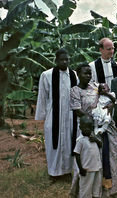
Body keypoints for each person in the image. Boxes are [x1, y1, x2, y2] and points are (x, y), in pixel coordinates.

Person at [70, 63, 117, 196]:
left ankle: (106, 188)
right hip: (87, 127)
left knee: (107, 155)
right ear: (78, 74)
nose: (88, 76)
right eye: (85, 73)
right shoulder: (75, 90)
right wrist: (91, 121)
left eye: (89, 73)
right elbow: (77, 110)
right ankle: (85, 189)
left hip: (103, 124)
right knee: (88, 156)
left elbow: (108, 96)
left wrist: (110, 105)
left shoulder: (96, 86)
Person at [35, 48, 77, 178]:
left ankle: (67, 171)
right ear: (56, 60)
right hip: (54, 116)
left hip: (70, 115)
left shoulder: (74, 75)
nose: (65, 62)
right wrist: (42, 115)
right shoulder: (47, 75)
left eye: (67, 59)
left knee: (70, 141)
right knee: (54, 144)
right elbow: (42, 96)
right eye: (62, 60)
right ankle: (54, 172)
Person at [91, 83, 117, 193]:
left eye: (105, 88)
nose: (103, 90)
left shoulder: (111, 95)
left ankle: (111, 184)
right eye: (101, 88)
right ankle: (99, 184)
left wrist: (109, 97)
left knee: (110, 155)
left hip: (108, 126)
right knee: (101, 155)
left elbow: (115, 101)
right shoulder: (97, 97)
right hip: (98, 119)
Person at [74, 115, 102, 198]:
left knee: (96, 189)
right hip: (87, 169)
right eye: (85, 127)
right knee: (85, 189)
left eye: (90, 127)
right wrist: (80, 168)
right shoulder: (80, 140)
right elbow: (77, 155)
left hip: (97, 168)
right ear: (80, 127)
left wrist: (96, 140)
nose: (88, 129)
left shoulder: (93, 137)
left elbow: (100, 145)